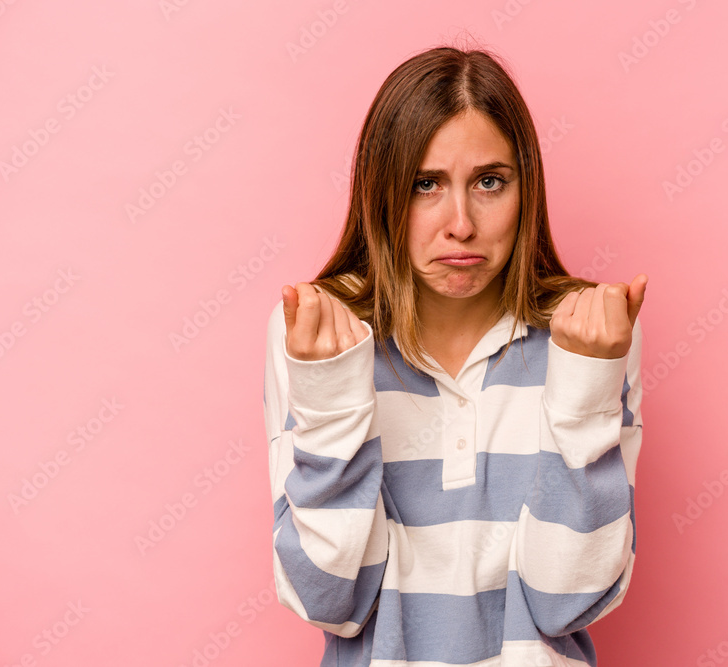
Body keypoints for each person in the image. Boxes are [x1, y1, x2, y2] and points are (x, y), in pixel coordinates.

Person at [264, 43, 648, 667]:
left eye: (489, 182)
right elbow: (329, 600)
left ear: (526, 190)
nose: (461, 224)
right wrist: (333, 400)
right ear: (382, 192)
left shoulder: (589, 333)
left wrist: (586, 388)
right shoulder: (318, 334)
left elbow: (566, 602)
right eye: (426, 184)